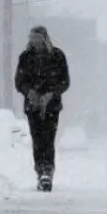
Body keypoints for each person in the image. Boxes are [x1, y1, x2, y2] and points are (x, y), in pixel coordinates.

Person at [14, 25, 71, 191]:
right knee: (37, 140)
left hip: (52, 106)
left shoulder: (57, 56)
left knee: (48, 139)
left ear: (45, 38)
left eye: (37, 38)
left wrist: (51, 93)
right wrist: (29, 92)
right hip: (32, 106)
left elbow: (65, 81)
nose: (34, 41)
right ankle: (40, 171)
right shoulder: (25, 57)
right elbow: (19, 81)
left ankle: (47, 171)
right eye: (32, 38)